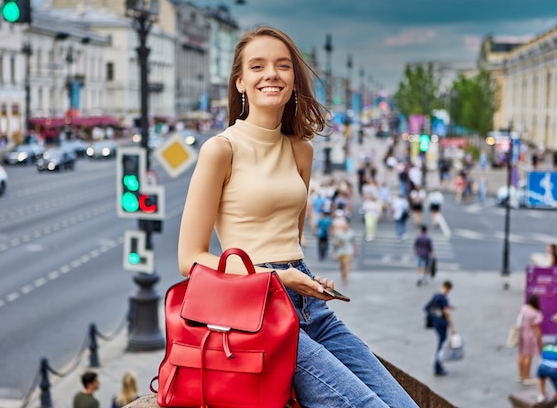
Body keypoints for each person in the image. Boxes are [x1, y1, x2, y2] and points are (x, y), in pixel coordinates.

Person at [177, 25, 418, 408]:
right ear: (240, 82)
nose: (271, 74)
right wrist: (275, 277)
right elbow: (190, 258)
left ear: (293, 80)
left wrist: (303, 278)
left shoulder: (301, 151)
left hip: (309, 303)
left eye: (282, 66)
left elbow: (292, 238)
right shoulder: (220, 150)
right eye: (257, 66)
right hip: (258, 311)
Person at [424, 281, 454, 376]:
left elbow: (428, 307)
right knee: (441, 346)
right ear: (448, 288)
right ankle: (438, 366)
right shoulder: (443, 298)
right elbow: (446, 313)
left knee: (440, 345)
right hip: (441, 324)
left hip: (435, 323)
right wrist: (452, 327)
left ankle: (438, 365)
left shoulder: (436, 295)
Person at [517, 294, 544, 385]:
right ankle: (526, 377)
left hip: (522, 332)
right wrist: (540, 341)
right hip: (530, 335)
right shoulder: (536, 313)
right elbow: (536, 329)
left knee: (521, 354)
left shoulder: (524, 308)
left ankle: (521, 375)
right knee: (529, 356)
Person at [332, 219, 358, 284]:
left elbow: (353, 242)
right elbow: (335, 243)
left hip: (349, 250)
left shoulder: (351, 233)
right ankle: (343, 275)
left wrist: (356, 250)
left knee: (347, 264)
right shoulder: (338, 233)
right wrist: (338, 244)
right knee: (342, 265)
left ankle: (346, 277)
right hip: (341, 251)